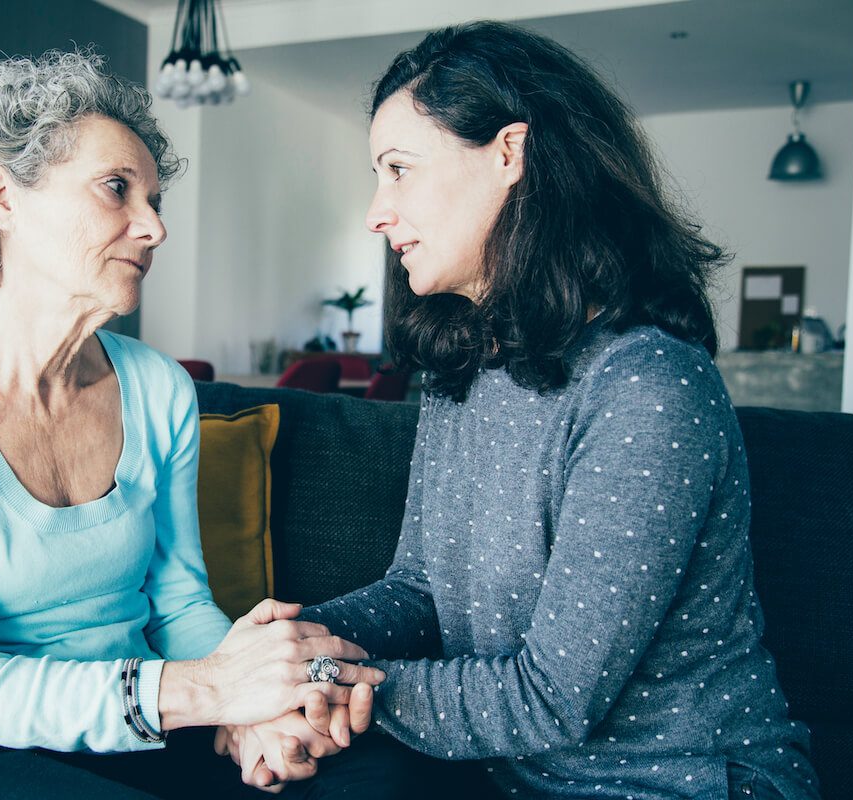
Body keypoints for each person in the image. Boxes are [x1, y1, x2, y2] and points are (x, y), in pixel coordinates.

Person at [221, 21, 821, 799]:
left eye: (399, 169)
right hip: (508, 776)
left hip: (681, 782)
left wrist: (323, 684)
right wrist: (284, 660)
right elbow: (419, 590)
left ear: (509, 153)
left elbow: (553, 696)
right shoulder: (464, 366)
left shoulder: (648, 386)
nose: (377, 210)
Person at [0, 50, 384, 800]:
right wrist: (209, 694)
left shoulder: (157, 388)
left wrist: (259, 711)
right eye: (117, 189)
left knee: (375, 774)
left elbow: (180, 603)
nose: (152, 228)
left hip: (139, 725)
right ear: (1, 198)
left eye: (154, 201)